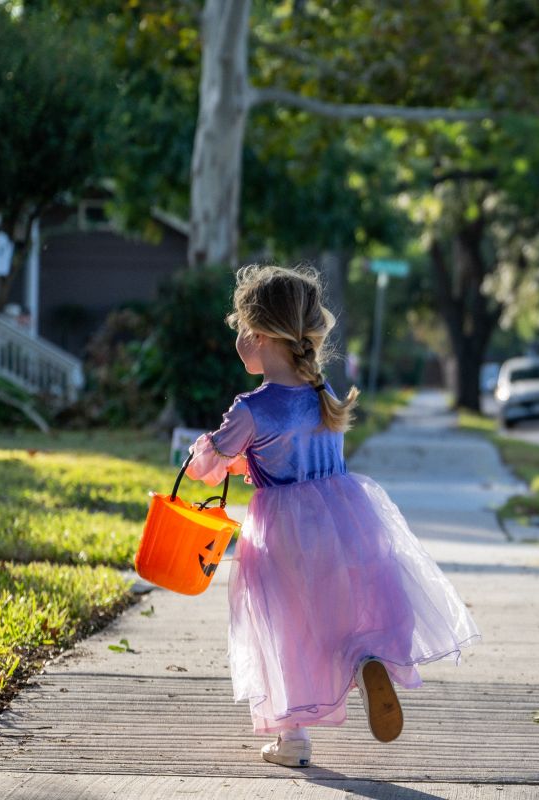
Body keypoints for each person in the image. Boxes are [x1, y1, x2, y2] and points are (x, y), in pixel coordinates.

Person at [184, 264, 480, 768]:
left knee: (284, 627)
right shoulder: (324, 396)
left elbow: (207, 471)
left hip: (280, 536)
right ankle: (368, 660)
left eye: (239, 329)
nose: (238, 338)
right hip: (344, 521)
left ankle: (292, 739)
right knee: (342, 612)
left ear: (258, 337)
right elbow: (294, 453)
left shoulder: (251, 409)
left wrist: (202, 453)